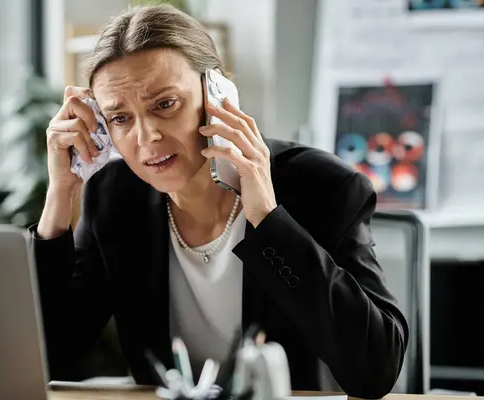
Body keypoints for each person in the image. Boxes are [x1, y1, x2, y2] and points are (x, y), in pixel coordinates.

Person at [30, 4, 408, 399]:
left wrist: (268, 220)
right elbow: (50, 356)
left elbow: (374, 370)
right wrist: (60, 196)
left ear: (218, 94)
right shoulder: (114, 196)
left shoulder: (323, 187)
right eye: (120, 118)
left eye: (165, 104)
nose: (146, 138)